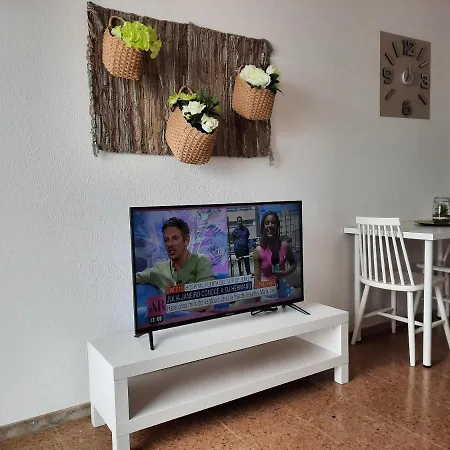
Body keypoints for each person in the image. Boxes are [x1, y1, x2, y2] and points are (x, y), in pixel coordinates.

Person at [136, 217, 216, 290]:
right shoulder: (160, 269)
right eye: (166, 240)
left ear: (186, 240)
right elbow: (134, 278)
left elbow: (207, 295)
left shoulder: (200, 261)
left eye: (175, 238)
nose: (170, 244)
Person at [254, 211, 297, 298]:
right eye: (267, 223)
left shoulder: (285, 246)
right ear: (263, 227)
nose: (270, 225)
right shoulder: (258, 250)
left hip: (283, 292)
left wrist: (285, 273)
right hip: (266, 295)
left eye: (273, 222)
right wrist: (257, 300)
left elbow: (293, 264)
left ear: (277, 226)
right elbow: (257, 278)